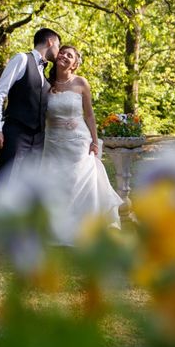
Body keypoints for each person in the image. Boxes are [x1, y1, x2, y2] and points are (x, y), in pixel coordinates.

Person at [40, 45, 123, 241]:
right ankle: (55, 228)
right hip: (52, 143)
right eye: (62, 53)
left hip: (78, 142)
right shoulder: (45, 83)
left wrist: (95, 140)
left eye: (70, 55)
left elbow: (89, 114)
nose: (64, 56)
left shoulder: (81, 83)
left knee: (78, 182)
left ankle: (85, 229)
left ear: (75, 64)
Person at [0, 28, 61, 186]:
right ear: (50, 42)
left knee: (28, 186)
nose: (59, 52)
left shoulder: (45, 75)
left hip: (38, 138)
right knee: (7, 182)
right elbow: (0, 92)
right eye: (58, 46)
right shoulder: (22, 59)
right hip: (16, 132)